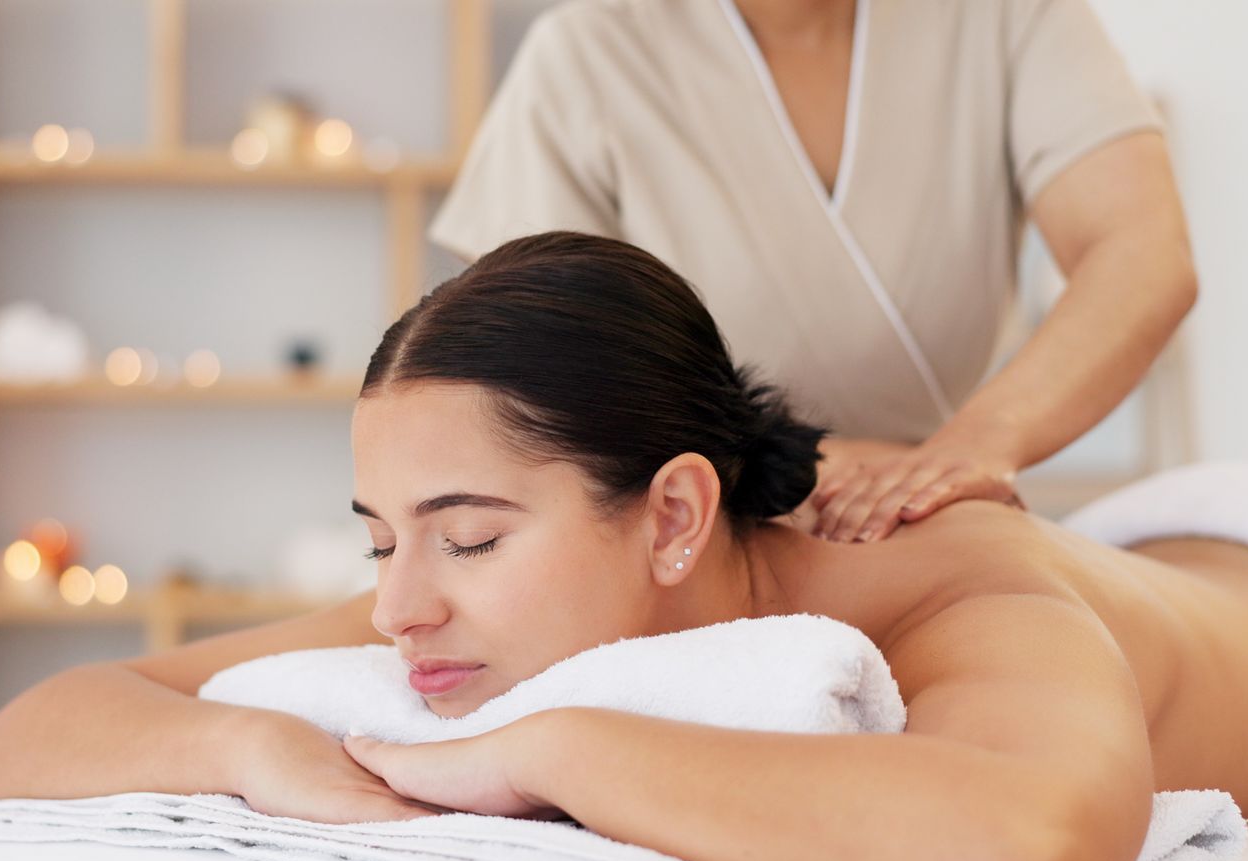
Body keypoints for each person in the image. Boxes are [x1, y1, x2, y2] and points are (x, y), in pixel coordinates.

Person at [0, 233, 1248, 861]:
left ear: (676, 513)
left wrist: (550, 747)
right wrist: (251, 751)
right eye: (379, 539)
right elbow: (28, 731)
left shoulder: (957, 588)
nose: (401, 607)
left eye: (468, 534)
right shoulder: (468, 597)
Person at [430, 0, 1201, 543]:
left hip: (930, 509)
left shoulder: (1010, 16)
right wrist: (807, 465)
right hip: (692, 521)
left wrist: (969, 451)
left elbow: (1139, 255)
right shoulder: (587, 53)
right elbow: (538, 363)